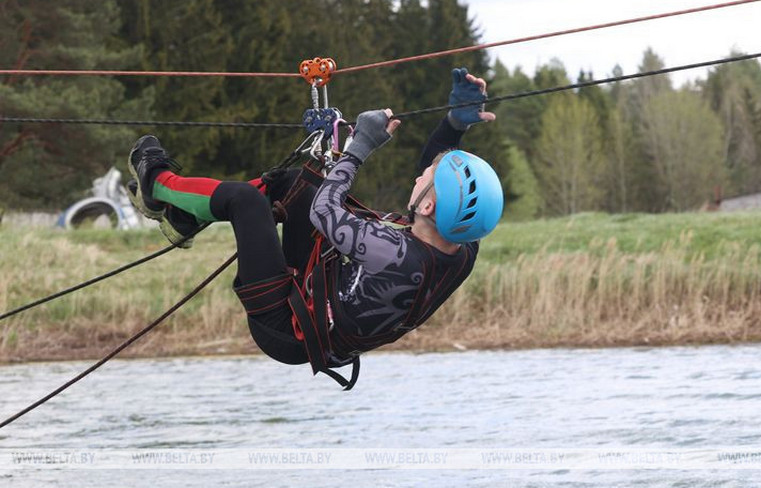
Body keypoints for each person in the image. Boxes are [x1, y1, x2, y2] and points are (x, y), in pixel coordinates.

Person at [126, 68, 503, 387]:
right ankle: (185, 215)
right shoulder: (462, 243)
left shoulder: (393, 252)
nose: (420, 173)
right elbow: (434, 191)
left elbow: (324, 212)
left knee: (247, 202)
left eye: (427, 176)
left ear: (427, 204)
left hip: (286, 329)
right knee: (293, 185)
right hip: (319, 299)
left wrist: (359, 148)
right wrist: (453, 125)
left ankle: (155, 184)